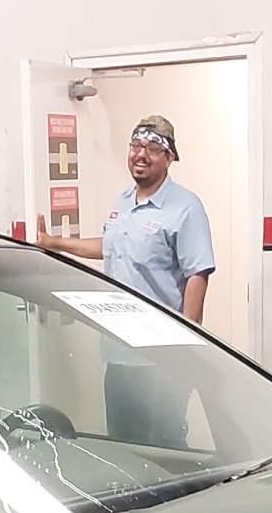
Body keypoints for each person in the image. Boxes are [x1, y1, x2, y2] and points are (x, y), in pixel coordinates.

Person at [35, 115, 217, 446]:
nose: (141, 154)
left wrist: (186, 342)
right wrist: (55, 244)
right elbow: (109, 247)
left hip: (162, 358)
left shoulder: (185, 208)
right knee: (124, 445)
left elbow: (197, 274)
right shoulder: (122, 202)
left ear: (169, 157)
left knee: (164, 447)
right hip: (118, 352)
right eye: (136, 146)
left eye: (152, 148)